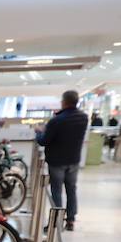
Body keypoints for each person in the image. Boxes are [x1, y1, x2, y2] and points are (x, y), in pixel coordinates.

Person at [36, 90, 89, 231]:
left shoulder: (57, 120)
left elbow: (44, 141)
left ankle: (56, 221)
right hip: (74, 160)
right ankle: (70, 220)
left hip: (57, 161)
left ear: (64, 102)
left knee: (56, 191)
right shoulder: (83, 118)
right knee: (71, 189)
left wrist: (39, 132)